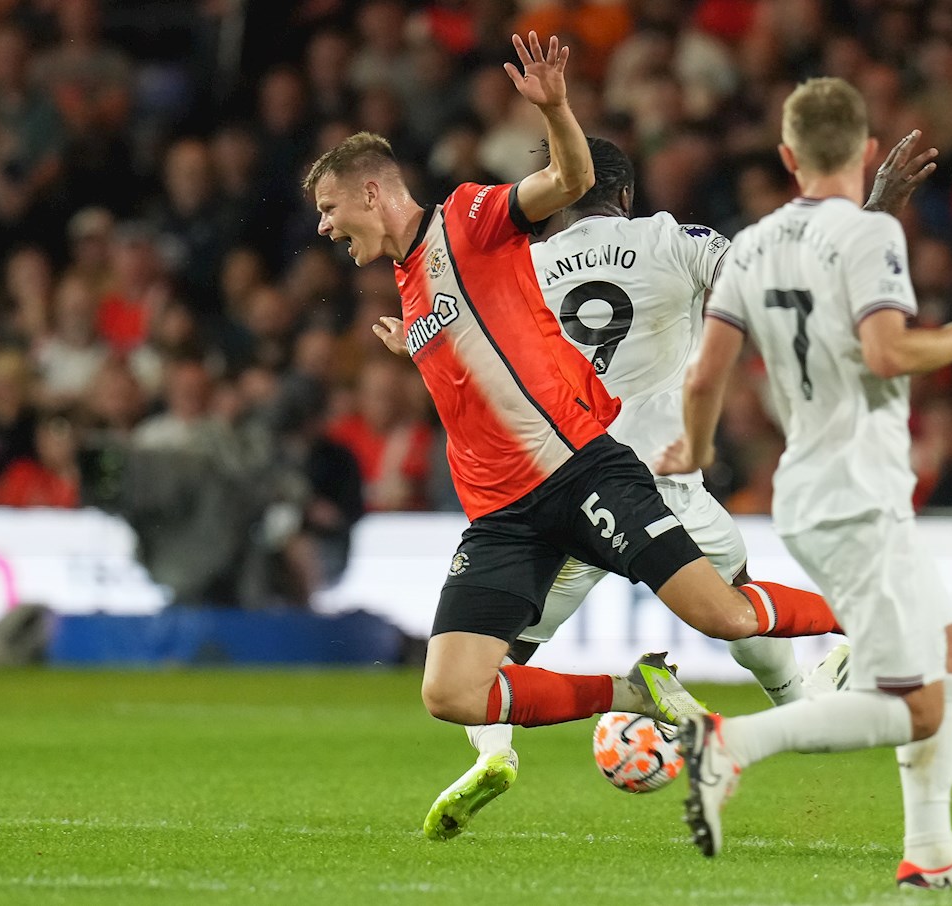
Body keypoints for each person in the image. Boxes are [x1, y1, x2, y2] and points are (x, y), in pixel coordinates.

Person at [304, 33, 838, 755]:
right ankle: (645, 693)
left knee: (720, 616)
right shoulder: (421, 280)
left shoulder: (475, 220)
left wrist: (556, 108)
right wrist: (422, 340)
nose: (322, 225)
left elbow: (565, 177)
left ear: (372, 191)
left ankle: (872, 617)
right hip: (516, 509)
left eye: (329, 206)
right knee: (454, 690)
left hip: (583, 474)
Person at [420, 133, 936, 840]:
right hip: (663, 487)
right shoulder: (672, 240)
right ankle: (801, 695)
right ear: (626, 196)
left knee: (495, 654)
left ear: (553, 196)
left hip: (557, 484)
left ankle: (494, 754)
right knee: (735, 600)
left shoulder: (520, 266)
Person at [657, 77, 952, 891]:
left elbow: (705, 374)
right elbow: (887, 352)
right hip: (855, 494)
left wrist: (697, 448)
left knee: (950, 656)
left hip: (817, 490)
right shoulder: (870, 235)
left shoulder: (751, 245)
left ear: (786, 157)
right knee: (915, 705)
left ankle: (930, 854)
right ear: (865, 150)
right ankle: (729, 743)